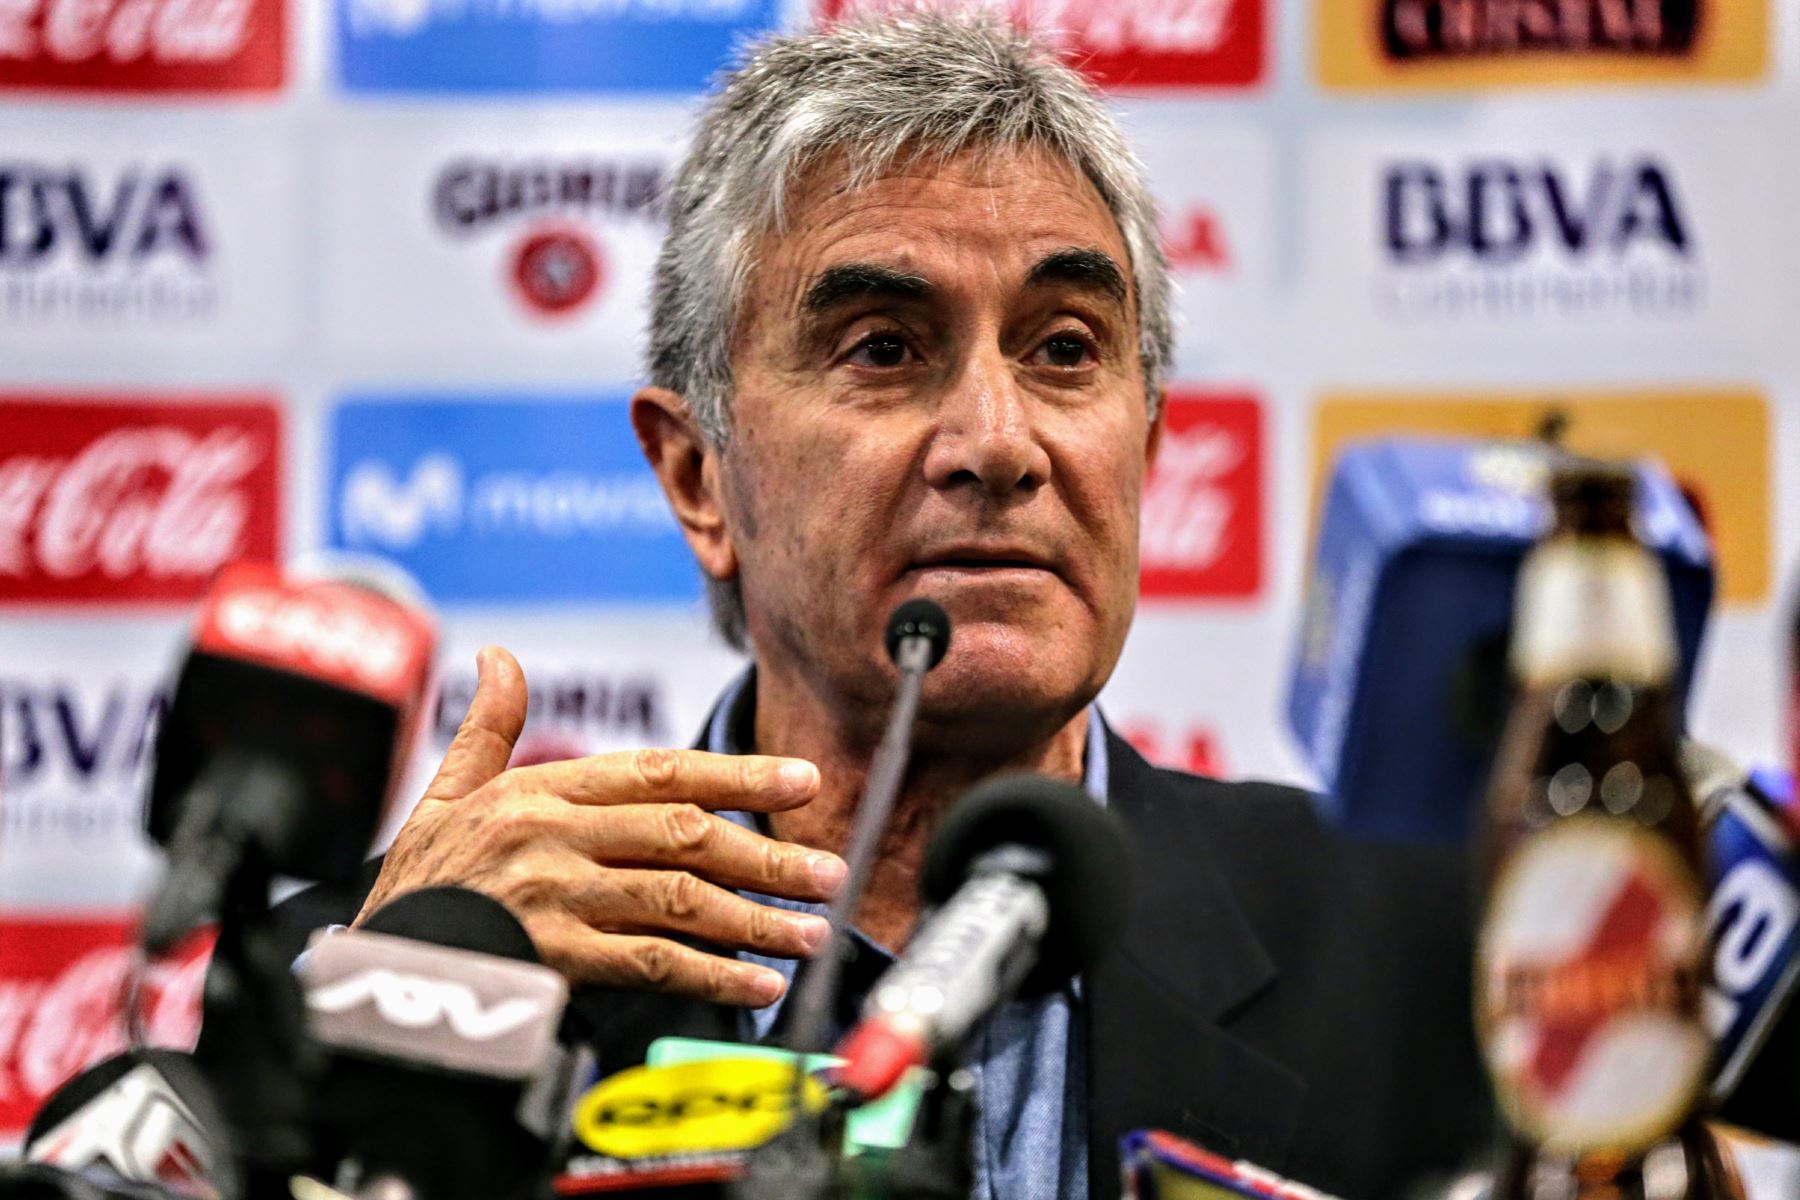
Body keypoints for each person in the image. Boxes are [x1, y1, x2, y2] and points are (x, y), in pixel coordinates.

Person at [268, 14, 1799, 1198]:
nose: (998, 442)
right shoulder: (413, 967)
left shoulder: (1447, 961)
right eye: (883, 349)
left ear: (1146, 440)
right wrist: (389, 1014)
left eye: (1066, 348)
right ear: (697, 477)